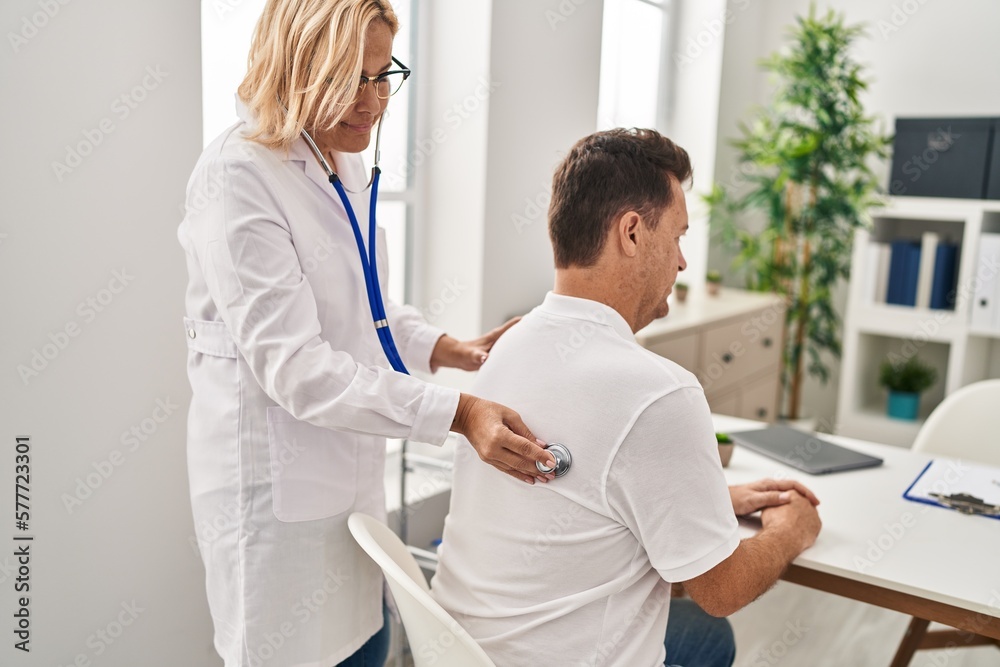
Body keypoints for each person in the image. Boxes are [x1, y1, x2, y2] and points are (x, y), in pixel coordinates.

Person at [177, 2, 556, 665]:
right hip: (274, 506)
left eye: (383, 75)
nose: (373, 100)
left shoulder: (339, 162)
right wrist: (459, 412)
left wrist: (449, 350)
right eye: (348, 78)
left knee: (368, 642)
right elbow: (296, 368)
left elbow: (366, 305)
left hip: (352, 488)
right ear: (295, 68)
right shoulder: (237, 177)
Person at [431, 128, 823, 666]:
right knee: (713, 632)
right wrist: (791, 532)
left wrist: (702, 506)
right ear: (633, 233)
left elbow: (574, 492)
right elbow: (721, 591)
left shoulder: (511, 343)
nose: (682, 263)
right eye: (679, 237)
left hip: (465, 651)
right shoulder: (660, 392)